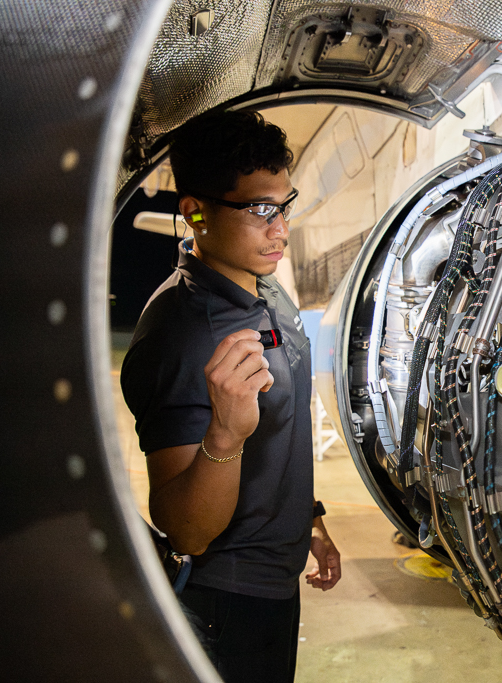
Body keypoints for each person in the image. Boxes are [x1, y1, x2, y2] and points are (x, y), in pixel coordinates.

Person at [120, 110, 341, 683]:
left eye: (284, 206)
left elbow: (280, 434)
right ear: (195, 213)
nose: (281, 229)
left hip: (275, 579)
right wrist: (224, 432)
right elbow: (185, 530)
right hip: (227, 602)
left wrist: (307, 520)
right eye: (259, 211)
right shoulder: (180, 331)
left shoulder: (264, 290)